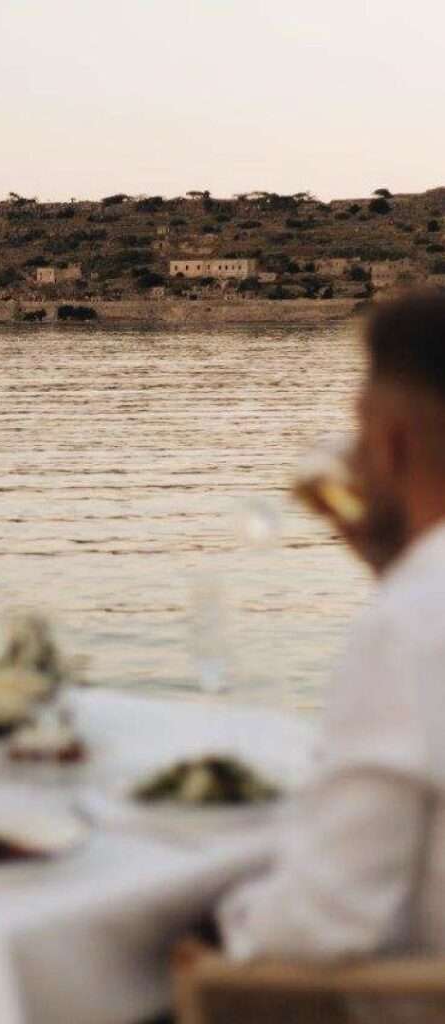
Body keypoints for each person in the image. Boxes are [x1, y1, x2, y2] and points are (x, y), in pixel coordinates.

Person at [218, 290, 445, 963]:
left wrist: (211, 933)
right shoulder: (417, 602)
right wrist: (396, 569)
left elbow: (321, 925)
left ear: (390, 441)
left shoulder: (408, 624)